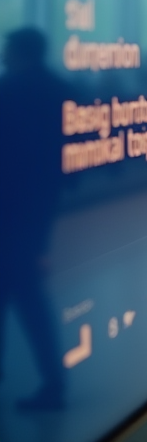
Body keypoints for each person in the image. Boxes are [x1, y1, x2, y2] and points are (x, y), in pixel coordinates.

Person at [0, 28, 69, 411]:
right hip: (39, 204)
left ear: (20, 52)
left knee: (25, 294)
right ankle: (53, 382)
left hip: (8, 207)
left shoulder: (8, 90)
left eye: (7, 49)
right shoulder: (60, 88)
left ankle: (53, 384)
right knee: (25, 292)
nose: (3, 55)